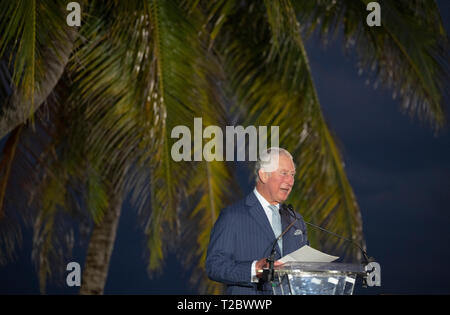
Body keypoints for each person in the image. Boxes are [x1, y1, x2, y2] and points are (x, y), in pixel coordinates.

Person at [205, 147, 309, 295]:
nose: (290, 181)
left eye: (292, 175)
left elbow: (305, 268)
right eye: (284, 173)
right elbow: (214, 266)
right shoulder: (233, 215)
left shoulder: (296, 220)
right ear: (264, 175)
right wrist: (254, 269)